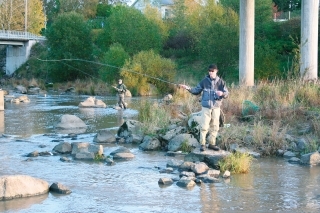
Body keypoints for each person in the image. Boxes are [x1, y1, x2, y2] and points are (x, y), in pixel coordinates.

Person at [179, 64, 229, 152]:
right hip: (206, 107)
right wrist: (188, 88)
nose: (210, 72)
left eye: (212, 71)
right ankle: (202, 144)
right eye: (209, 71)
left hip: (216, 107)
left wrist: (222, 94)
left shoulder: (221, 82)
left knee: (215, 126)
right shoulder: (204, 81)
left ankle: (212, 144)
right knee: (204, 125)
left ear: (216, 71)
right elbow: (196, 91)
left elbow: (227, 93)